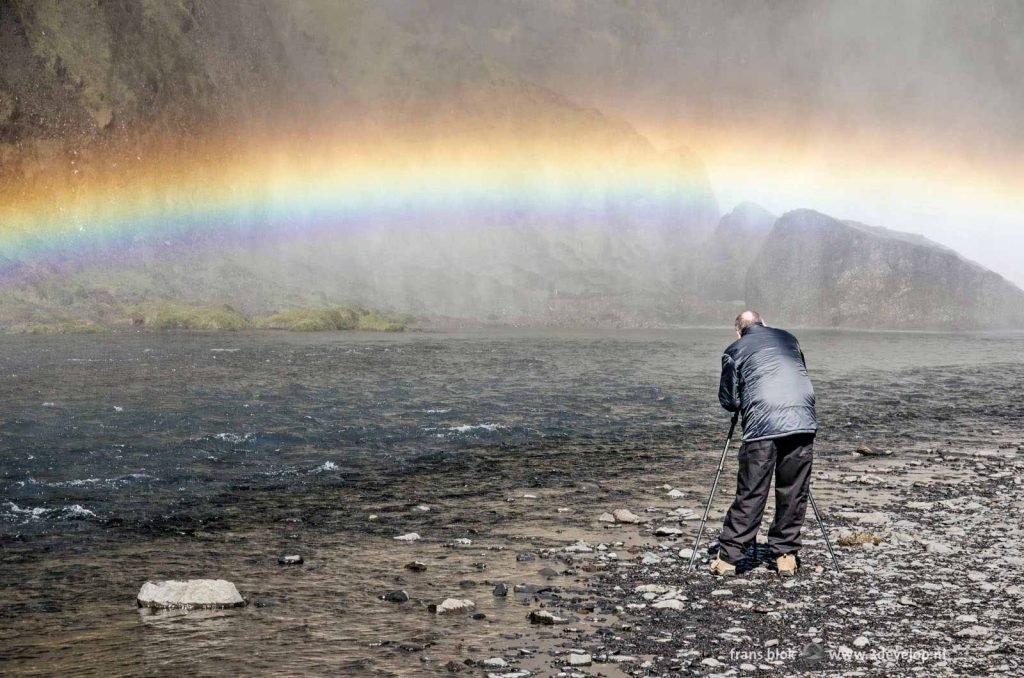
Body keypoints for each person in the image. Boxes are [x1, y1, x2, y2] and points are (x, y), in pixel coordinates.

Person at [711, 310, 817, 577]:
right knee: (793, 488)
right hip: (803, 419)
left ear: (738, 331)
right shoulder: (790, 340)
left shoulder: (734, 349)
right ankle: (785, 555)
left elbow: (729, 401)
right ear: (765, 323)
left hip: (762, 426)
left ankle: (729, 559)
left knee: (752, 491)